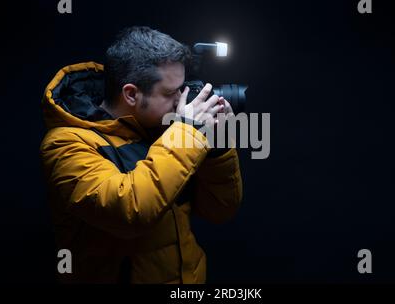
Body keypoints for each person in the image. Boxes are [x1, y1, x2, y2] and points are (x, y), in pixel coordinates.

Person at [39, 26, 243, 284]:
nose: (183, 100)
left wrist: (217, 145)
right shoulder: (65, 144)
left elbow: (220, 210)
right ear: (132, 94)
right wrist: (188, 133)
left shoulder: (165, 130)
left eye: (183, 88)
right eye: (171, 93)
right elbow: (131, 213)